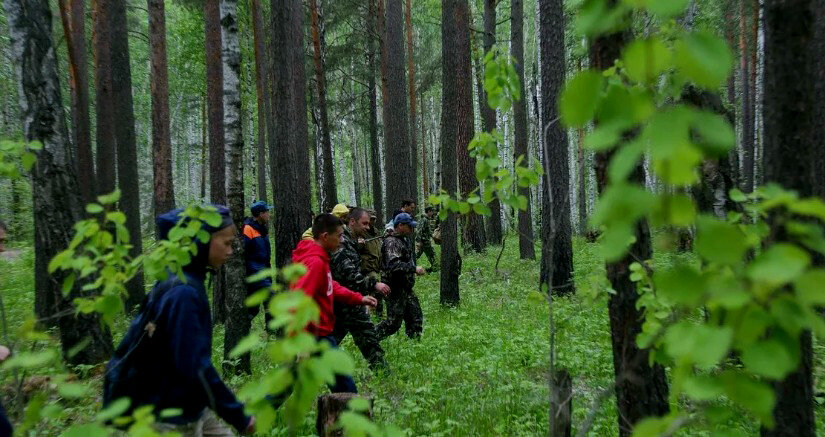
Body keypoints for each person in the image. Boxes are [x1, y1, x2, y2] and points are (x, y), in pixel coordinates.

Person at [104, 206, 255, 436]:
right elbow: (194, 366)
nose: (230, 251)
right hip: (164, 411)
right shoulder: (183, 293)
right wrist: (238, 415)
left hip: (186, 399)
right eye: (225, 243)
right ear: (201, 242)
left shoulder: (185, 280)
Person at [290, 213, 378, 393]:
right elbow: (300, 300)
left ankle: (255, 413)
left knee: (290, 380)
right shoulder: (315, 262)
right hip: (315, 336)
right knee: (346, 387)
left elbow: (332, 286)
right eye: (338, 236)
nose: (341, 240)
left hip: (320, 333)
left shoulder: (321, 258)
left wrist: (358, 298)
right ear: (325, 236)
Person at [329, 208, 390, 370]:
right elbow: (348, 275)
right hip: (343, 304)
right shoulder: (342, 244)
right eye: (364, 223)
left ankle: (383, 374)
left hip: (349, 302)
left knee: (368, 339)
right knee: (328, 343)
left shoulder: (351, 241)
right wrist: (374, 284)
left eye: (368, 224)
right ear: (352, 222)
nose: (367, 227)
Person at [376, 213, 427, 340]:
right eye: (409, 226)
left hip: (405, 287)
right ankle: (370, 338)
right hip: (395, 288)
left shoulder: (402, 239)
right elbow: (393, 265)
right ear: (400, 225)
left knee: (415, 317)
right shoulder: (391, 242)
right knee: (393, 323)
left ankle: (414, 344)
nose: (412, 229)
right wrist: (414, 269)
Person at [243, 201, 273, 327]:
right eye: (267, 212)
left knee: (254, 308)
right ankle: (273, 329)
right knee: (271, 297)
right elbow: (243, 252)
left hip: (265, 268)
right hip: (255, 270)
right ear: (261, 214)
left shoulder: (262, 228)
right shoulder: (248, 228)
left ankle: (243, 328)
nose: (269, 215)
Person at [358, 212, 385, 318]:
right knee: (375, 290)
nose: (372, 222)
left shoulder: (376, 232)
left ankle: (377, 313)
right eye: (370, 219)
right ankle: (375, 315)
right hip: (368, 267)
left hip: (377, 265)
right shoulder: (362, 232)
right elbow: (357, 249)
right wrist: (359, 244)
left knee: (377, 292)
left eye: (374, 219)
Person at [416, 206, 439, 272]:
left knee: (418, 254)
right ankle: (435, 267)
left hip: (425, 241)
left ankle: (434, 267)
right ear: (429, 211)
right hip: (424, 241)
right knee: (432, 254)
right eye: (432, 212)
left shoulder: (426, 219)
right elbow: (419, 230)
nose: (432, 213)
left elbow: (427, 231)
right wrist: (419, 241)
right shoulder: (424, 219)